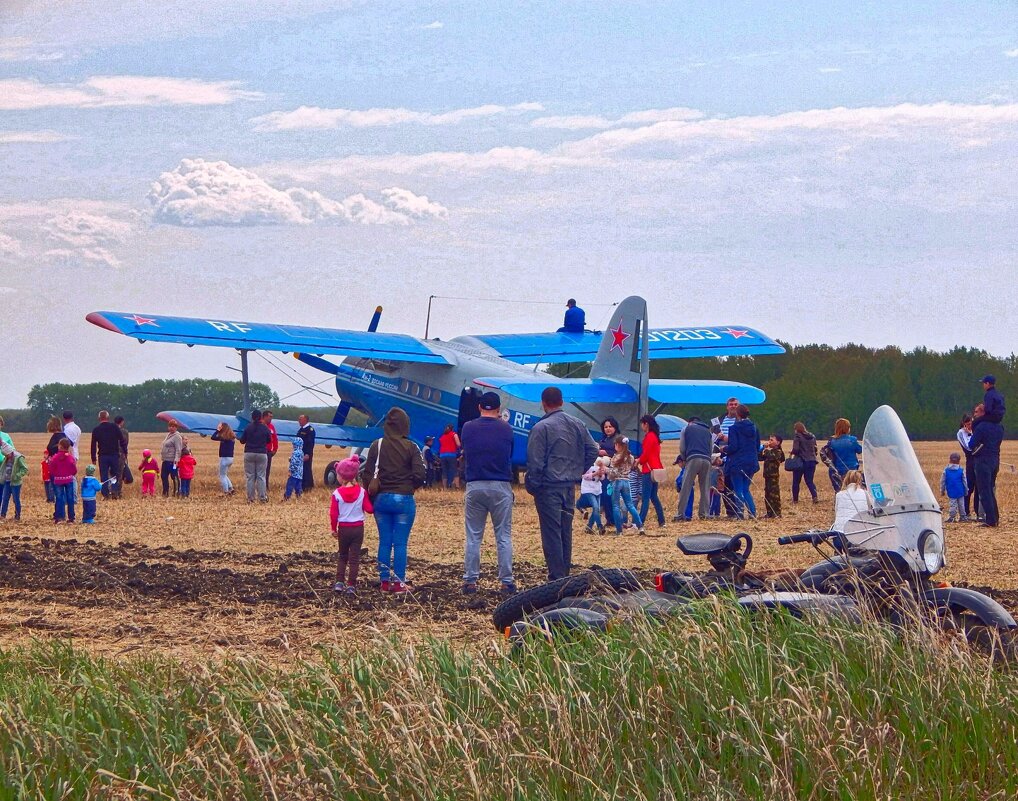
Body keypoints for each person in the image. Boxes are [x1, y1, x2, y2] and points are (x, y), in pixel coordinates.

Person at [525, 387, 599, 578]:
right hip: (568, 487)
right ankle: (564, 575)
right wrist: (578, 469)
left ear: (543, 403)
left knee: (551, 534)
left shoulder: (541, 428)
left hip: (549, 487)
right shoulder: (578, 424)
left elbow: (535, 462)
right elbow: (592, 449)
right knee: (566, 531)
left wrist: (533, 485)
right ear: (561, 402)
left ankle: (556, 577)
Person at [361, 407, 426, 593]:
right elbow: (420, 474)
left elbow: (366, 474)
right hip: (404, 499)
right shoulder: (412, 447)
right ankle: (399, 583)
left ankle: (383, 582)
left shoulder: (377, 445)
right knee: (400, 543)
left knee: (384, 541)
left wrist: (373, 494)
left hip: (381, 499)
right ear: (405, 425)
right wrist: (411, 487)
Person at [460, 391, 517, 595]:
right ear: (499, 409)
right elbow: (509, 453)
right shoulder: (506, 429)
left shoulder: (468, 428)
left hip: (475, 484)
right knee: (503, 536)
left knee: (474, 536)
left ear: (479, 408)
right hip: (501, 485)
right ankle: (506, 581)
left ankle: (470, 581)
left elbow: (466, 450)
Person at [329, 456, 373, 594]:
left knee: (343, 556)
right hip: (358, 528)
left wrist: (333, 528)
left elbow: (333, 514)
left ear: (341, 477)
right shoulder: (362, 492)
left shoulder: (336, 494)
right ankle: (351, 585)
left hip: (343, 529)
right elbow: (370, 509)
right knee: (354, 558)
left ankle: (339, 583)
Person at [723, 404, 760, 519]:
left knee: (738, 489)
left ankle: (739, 513)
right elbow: (757, 446)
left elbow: (734, 446)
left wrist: (724, 449)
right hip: (751, 462)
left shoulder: (734, 428)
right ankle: (752, 513)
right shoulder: (754, 427)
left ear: (737, 415)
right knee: (745, 489)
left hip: (737, 462)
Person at [969, 410, 1003, 527]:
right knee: (990, 489)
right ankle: (995, 517)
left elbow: (971, 444)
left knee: (984, 490)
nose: (975, 414)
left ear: (983, 413)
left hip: (982, 461)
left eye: (977, 412)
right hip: (995, 460)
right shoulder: (999, 427)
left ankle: (990, 520)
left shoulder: (981, 427)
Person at [675, 416, 712, 521]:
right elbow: (711, 447)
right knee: (705, 488)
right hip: (707, 460)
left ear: (690, 422)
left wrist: (684, 458)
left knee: (686, 486)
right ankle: (704, 513)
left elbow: (682, 447)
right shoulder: (707, 431)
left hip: (693, 458)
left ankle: (680, 514)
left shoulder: (686, 429)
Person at [636, 414, 666, 529]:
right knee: (654, 496)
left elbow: (646, 455)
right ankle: (661, 520)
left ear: (646, 424)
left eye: (642, 424)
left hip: (648, 470)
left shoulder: (649, 437)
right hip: (656, 469)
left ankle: (640, 521)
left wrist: (638, 460)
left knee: (645, 497)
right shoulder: (656, 437)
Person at [609, 435, 643, 535]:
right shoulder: (630, 457)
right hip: (626, 481)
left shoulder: (615, 457)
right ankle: (640, 526)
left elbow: (613, 472)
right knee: (630, 505)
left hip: (617, 482)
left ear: (618, 445)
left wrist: (607, 472)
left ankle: (619, 530)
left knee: (615, 506)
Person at [90, 410, 127, 499]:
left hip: (102, 456)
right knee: (115, 475)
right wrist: (125, 452)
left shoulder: (96, 430)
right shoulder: (114, 427)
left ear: (99, 418)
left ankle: (105, 494)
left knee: (104, 475)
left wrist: (93, 458)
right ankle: (115, 492)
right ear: (108, 418)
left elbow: (93, 445)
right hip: (114, 455)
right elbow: (122, 440)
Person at [239, 409, 271, 502]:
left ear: (252, 417)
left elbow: (242, 440)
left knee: (250, 476)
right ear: (261, 417)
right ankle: (262, 497)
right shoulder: (265, 428)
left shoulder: (248, 427)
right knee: (261, 476)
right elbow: (269, 440)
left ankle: (250, 498)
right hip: (261, 452)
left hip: (249, 452)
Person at [597, 417, 621, 526]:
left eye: (610, 426)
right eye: (606, 427)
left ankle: (615, 520)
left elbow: (620, 454)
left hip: (614, 472)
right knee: (605, 495)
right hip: (604, 472)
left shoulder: (619, 439)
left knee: (611, 496)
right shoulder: (603, 439)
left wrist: (605, 452)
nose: (608, 429)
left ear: (615, 427)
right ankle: (609, 519)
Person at [789, 422, 819, 504]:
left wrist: (791, 452)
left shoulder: (797, 436)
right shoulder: (812, 436)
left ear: (796, 429)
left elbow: (796, 449)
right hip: (812, 461)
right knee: (809, 481)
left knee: (796, 481)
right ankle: (815, 496)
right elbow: (815, 449)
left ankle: (795, 500)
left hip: (801, 462)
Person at [827, 418, 862, 485]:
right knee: (852, 489)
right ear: (847, 429)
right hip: (851, 470)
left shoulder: (831, 441)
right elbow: (859, 450)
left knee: (839, 490)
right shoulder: (852, 440)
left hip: (836, 470)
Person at [577, 458, 608, 535]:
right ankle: (599, 526)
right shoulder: (587, 464)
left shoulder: (600, 466)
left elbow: (603, 477)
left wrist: (601, 475)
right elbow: (584, 476)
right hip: (588, 489)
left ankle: (589, 527)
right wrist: (595, 474)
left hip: (597, 489)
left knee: (596, 509)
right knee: (596, 507)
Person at [50, 438, 77, 523]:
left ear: (60, 446)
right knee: (70, 498)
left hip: (58, 480)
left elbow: (51, 469)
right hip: (69, 479)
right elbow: (74, 470)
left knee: (59, 498)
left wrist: (56, 474)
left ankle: (59, 517)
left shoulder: (55, 457)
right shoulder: (70, 458)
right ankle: (71, 517)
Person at [0, 440, 28, 522]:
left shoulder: (19, 458)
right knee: (5, 498)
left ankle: (17, 516)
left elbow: (25, 469)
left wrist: (17, 476)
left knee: (16, 499)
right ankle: (2, 515)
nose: (6, 457)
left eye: (7, 455)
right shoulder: (6, 458)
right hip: (7, 481)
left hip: (15, 483)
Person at [759, 434, 785, 518]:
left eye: (772, 440)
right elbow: (760, 457)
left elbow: (771, 456)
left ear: (778, 442)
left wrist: (766, 450)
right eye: (769, 440)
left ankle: (777, 512)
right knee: (768, 494)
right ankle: (769, 512)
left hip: (773, 476)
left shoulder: (778, 452)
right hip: (767, 475)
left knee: (774, 495)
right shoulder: (769, 451)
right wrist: (761, 449)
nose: (769, 442)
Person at [957, 414, 977, 520]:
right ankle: (966, 512)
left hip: (978, 459)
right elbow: (969, 447)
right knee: (969, 486)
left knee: (978, 486)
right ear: (964, 424)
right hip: (971, 460)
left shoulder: (974, 430)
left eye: (971, 424)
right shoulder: (961, 433)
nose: (970, 426)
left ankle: (979, 512)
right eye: (968, 424)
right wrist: (970, 435)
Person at [940, 452, 969, 523]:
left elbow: (942, 481)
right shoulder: (961, 470)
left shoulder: (946, 470)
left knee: (952, 504)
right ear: (959, 461)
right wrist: (966, 490)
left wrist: (942, 490)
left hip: (951, 490)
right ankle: (963, 517)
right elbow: (964, 481)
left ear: (949, 460)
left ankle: (952, 517)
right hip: (960, 490)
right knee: (961, 504)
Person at [159, 420, 184, 497]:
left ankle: (176, 492)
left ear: (176, 427)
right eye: (170, 426)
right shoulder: (169, 435)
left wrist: (176, 460)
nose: (171, 428)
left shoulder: (177, 436)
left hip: (172, 461)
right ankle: (165, 492)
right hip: (165, 460)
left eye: (173, 426)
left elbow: (178, 449)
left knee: (174, 476)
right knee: (163, 476)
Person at [211, 422, 236, 495]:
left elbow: (213, 437)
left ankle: (226, 491)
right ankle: (231, 488)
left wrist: (217, 430)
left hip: (224, 458)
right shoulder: (231, 437)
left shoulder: (223, 437)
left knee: (221, 475)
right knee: (225, 474)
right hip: (230, 458)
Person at [296, 415, 317, 490]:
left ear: (305, 420)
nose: (299, 421)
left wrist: (307, 454)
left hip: (306, 453)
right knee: (301, 469)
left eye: (300, 419)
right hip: (299, 452)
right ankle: (302, 485)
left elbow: (310, 443)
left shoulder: (309, 430)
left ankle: (308, 485)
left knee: (306, 469)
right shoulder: (301, 429)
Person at [438, 423, 460, 489]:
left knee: (444, 471)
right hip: (451, 454)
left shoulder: (442, 436)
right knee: (454, 470)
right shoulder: (454, 434)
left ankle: (445, 488)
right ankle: (457, 486)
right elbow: (458, 444)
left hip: (442, 455)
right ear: (452, 429)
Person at [114, 416, 132, 489]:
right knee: (120, 474)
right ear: (121, 422)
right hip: (121, 454)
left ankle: (111, 490)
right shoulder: (124, 432)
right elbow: (126, 443)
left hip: (112, 454)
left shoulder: (111, 430)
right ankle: (118, 491)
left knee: (111, 473)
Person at [263, 410, 279, 489]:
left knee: (267, 470)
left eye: (272, 417)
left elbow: (275, 438)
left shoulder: (272, 426)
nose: (271, 418)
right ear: (265, 416)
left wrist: (275, 449)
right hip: (260, 451)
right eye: (270, 417)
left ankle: (266, 485)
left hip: (268, 451)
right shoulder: (260, 425)